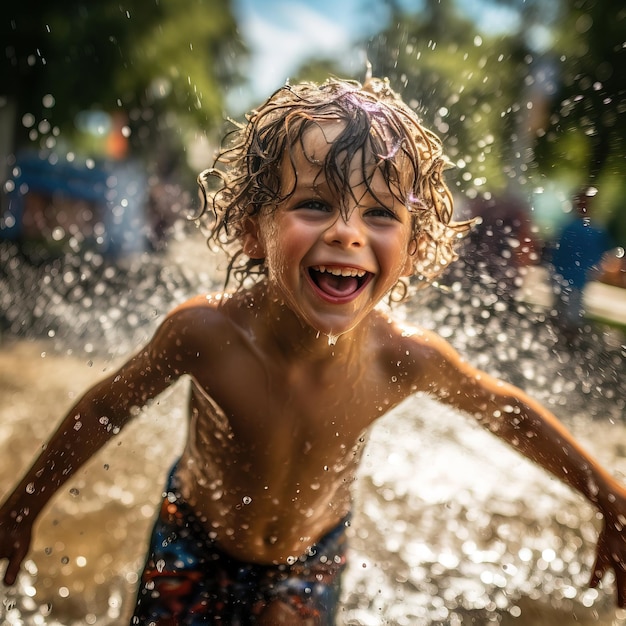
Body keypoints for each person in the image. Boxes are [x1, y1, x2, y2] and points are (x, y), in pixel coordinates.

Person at [1, 76, 626, 625]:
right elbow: (105, 408)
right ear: (253, 228)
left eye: (380, 213)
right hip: (191, 538)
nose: (347, 231)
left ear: (412, 246)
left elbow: (505, 412)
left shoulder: (401, 358)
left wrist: (611, 499)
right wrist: (21, 509)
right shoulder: (206, 336)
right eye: (315, 204)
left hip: (311, 557)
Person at [551, 187, 613, 336]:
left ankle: (559, 342)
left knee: (561, 313)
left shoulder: (568, 227)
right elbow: (603, 254)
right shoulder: (593, 230)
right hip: (576, 278)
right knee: (571, 315)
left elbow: (555, 253)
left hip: (564, 277)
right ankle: (567, 345)